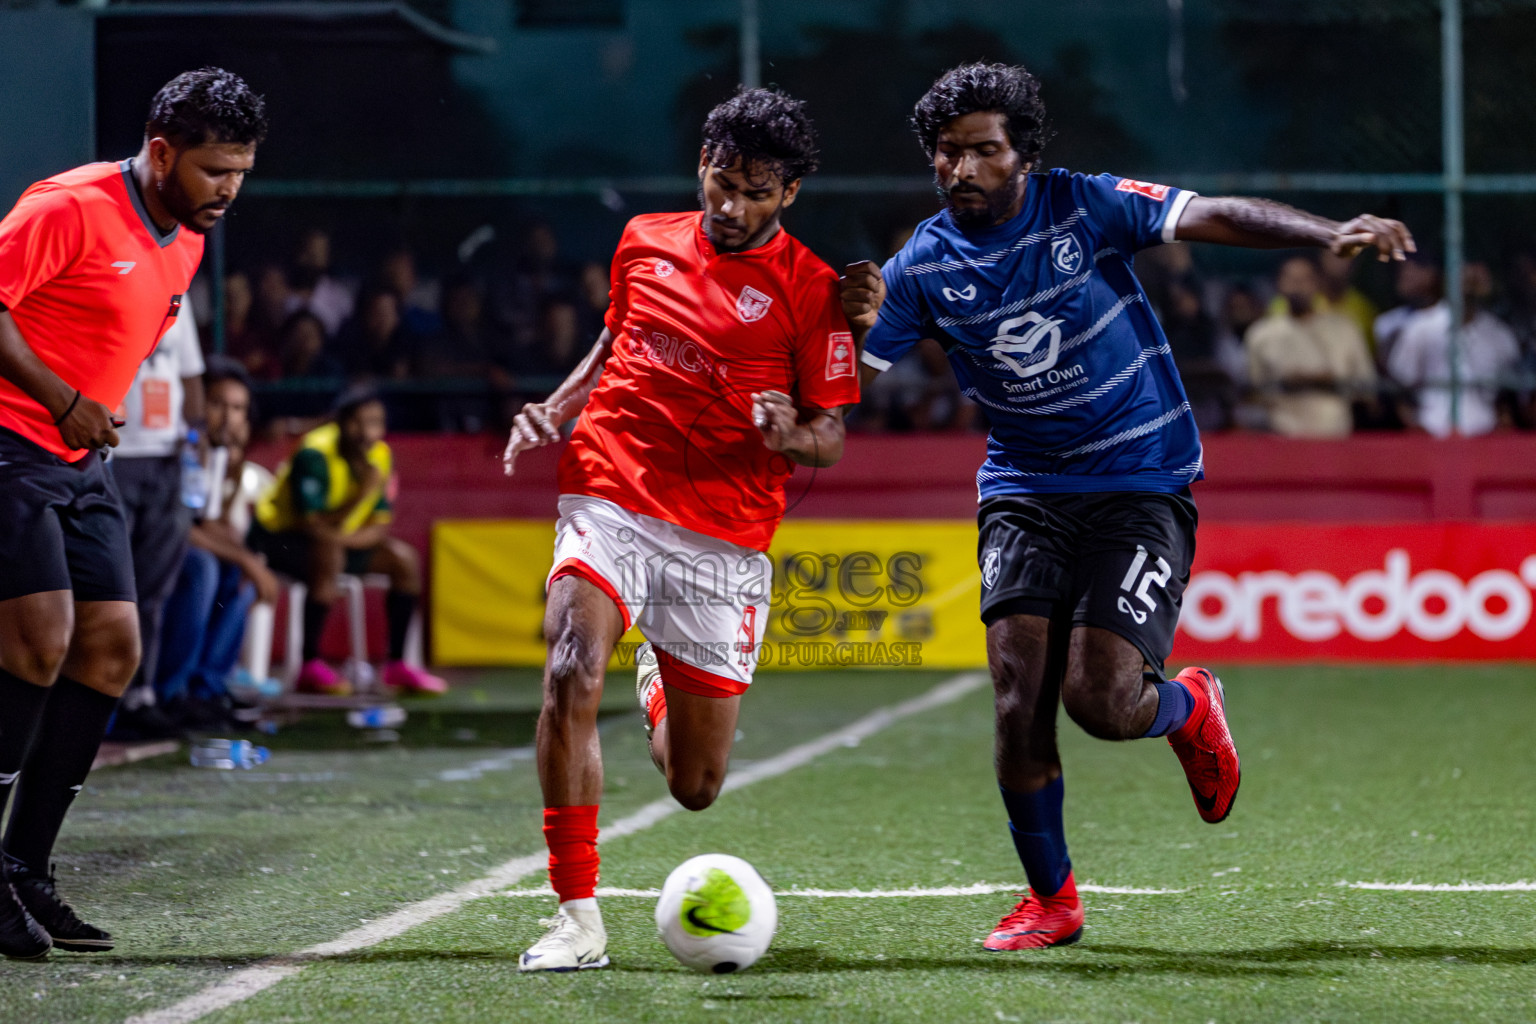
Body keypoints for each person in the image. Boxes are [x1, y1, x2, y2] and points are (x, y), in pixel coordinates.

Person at [859, 63, 1414, 952]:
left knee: (1103, 701)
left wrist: (1329, 231)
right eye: (947, 154)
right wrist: (833, 340)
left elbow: (1213, 214)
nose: (962, 169)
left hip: (1140, 480)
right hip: (1024, 492)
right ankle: (1052, 901)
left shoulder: (1087, 205)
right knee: (1016, 699)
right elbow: (843, 385)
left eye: (984, 151)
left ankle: (1189, 708)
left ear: (1025, 155)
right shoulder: (920, 267)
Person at [501, 87, 882, 972]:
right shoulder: (643, 239)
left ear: (789, 193)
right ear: (701, 169)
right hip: (611, 487)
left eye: (754, 191)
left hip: (724, 531)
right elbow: (614, 339)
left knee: (696, 787)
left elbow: (831, 432)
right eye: (719, 182)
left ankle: (659, 680)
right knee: (567, 664)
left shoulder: (816, 291)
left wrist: (793, 435)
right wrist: (556, 409)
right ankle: (575, 916)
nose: (730, 206)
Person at [0, 67, 265, 958]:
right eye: (212, 171)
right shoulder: (67, 206)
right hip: (10, 442)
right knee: (38, 641)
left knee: (111, 651)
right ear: (161, 152)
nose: (228, 190)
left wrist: (88, 410)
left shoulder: (186, 236)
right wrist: (63, 394)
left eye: (240, 171)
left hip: (81, 460)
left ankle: (24, 869)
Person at [250, 387, 446, 697]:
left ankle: (397, 665)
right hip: (280, 540)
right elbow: (310, 525)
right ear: (342, 423)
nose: (369, 432)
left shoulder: (381, 455)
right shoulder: (314, 453)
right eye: (360, 422)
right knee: (329, 554)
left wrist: (343, 538)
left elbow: (379, 525)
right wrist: (361, 494)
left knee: (404, 560)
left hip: (336, 541)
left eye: (376, 422)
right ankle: (309, 665)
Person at [155, 357, 279, 728]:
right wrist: (247, 562)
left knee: (236, 572)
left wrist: (246, 560)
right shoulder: (181, 446)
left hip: (187, 540)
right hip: (153, 544)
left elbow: (215, 524)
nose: (227, 417)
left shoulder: (222, 454)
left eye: (238, 408)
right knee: (206, 566)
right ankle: (170, 693)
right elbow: (181, 527)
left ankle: (207, 690)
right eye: (217, 404)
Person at [105, 290, 206, 740]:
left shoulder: (175, 303)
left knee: (153, 586)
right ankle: (99, 698)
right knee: (108, 584)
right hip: (115, 453)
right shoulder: (113, 296)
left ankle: (138, 696)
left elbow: (191, 378)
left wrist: (195, 433)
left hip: (167, 456)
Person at [1245, 255, 1377, 438]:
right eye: (1291, 279)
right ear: (1279, 284)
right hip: (1283, 435)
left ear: (1318, 283)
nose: (1298, 286)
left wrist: (1330, 380)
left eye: (1305, 279)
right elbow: (1254, 393)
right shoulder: (1261, 334)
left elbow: (1366, 387)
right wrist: (1287, 382)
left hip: (1335, 433)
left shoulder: (1345, 329)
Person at [1388, 262, 1520, 437]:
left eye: (1476, 271)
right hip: (1431, 435)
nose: (1470, 278)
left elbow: (1507, 396)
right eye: (1463, 271)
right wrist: (1414, 428)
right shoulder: (1420, 327)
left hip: (1485, 436)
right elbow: (1399, 386)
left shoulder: (1500, 334)